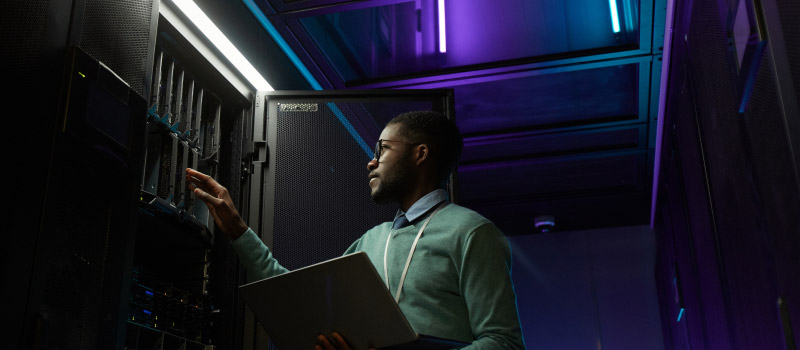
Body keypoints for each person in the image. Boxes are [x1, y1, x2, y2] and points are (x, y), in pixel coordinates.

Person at [186, 111, 524, 350]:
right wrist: (238, 230)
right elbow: (303, 300)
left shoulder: (473, 233)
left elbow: (503, 342)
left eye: (383, 149)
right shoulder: (372, 240)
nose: (371, 161)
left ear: (421, 155)